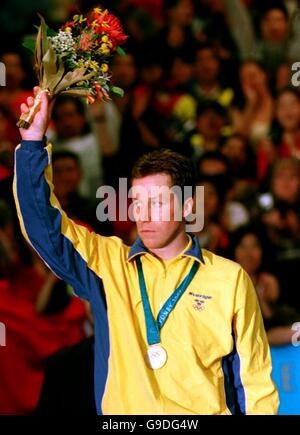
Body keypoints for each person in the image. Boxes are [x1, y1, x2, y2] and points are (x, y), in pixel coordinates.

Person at [13, 87, 279, 415]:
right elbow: (44, 227)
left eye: (156, 203)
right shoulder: (108, 264)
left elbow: (253, 385)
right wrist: (32, 144)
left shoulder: (229, 278)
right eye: (137, 203)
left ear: (187, 206)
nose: (144, 214)